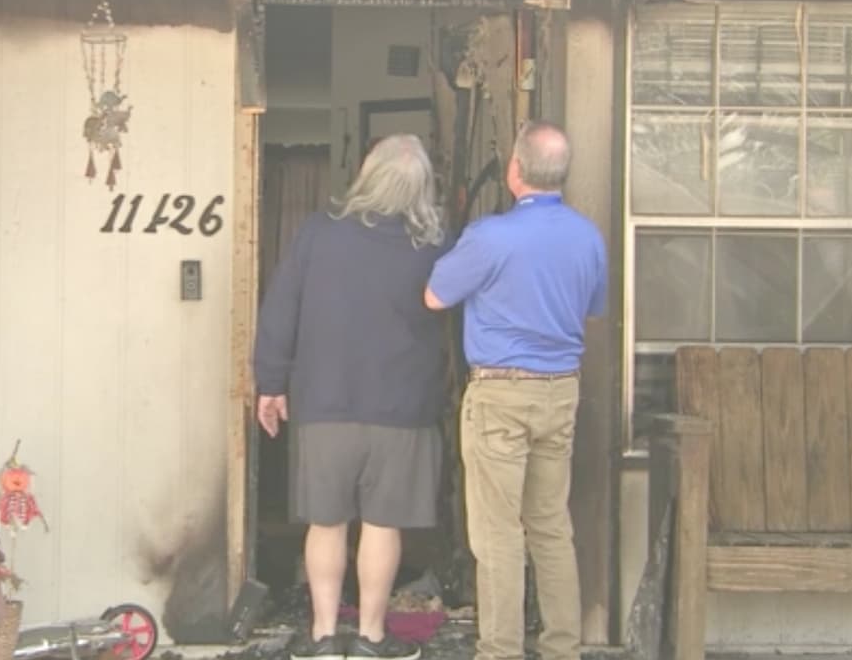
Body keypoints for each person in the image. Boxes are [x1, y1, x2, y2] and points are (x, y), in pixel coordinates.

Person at [254, 134, 447, 660]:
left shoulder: (318, 233)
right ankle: (370, 637)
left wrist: (271, 383)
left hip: (324, 405)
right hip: (402, 410)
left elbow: (280, 309)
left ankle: (322, 636)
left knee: (326, 522)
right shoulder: (435, 246)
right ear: (421, 186)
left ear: (367, 174)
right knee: (383, 526)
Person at [424, 121, 607, 660]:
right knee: (550, 527)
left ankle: (501, 652)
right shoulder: (588, 237)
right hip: (561, 390)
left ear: (515, 170)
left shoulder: (490, 237)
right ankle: (562, 649)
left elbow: (434, 296)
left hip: (501, 393)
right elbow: (593, 309)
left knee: (498, 533)